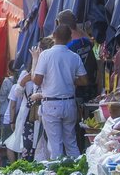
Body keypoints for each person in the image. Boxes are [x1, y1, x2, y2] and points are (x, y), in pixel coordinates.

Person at [31, 24, 88, 160]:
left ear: (54, 36)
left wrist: (34, 64)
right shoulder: (74, 57)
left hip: (51, 104)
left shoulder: (45, 55)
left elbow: (37, 81)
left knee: (55, 144)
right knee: (71, 142)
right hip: (69, 103)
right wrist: (68, 80)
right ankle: (78, 172)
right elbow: (84, 80)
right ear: (70, 39)